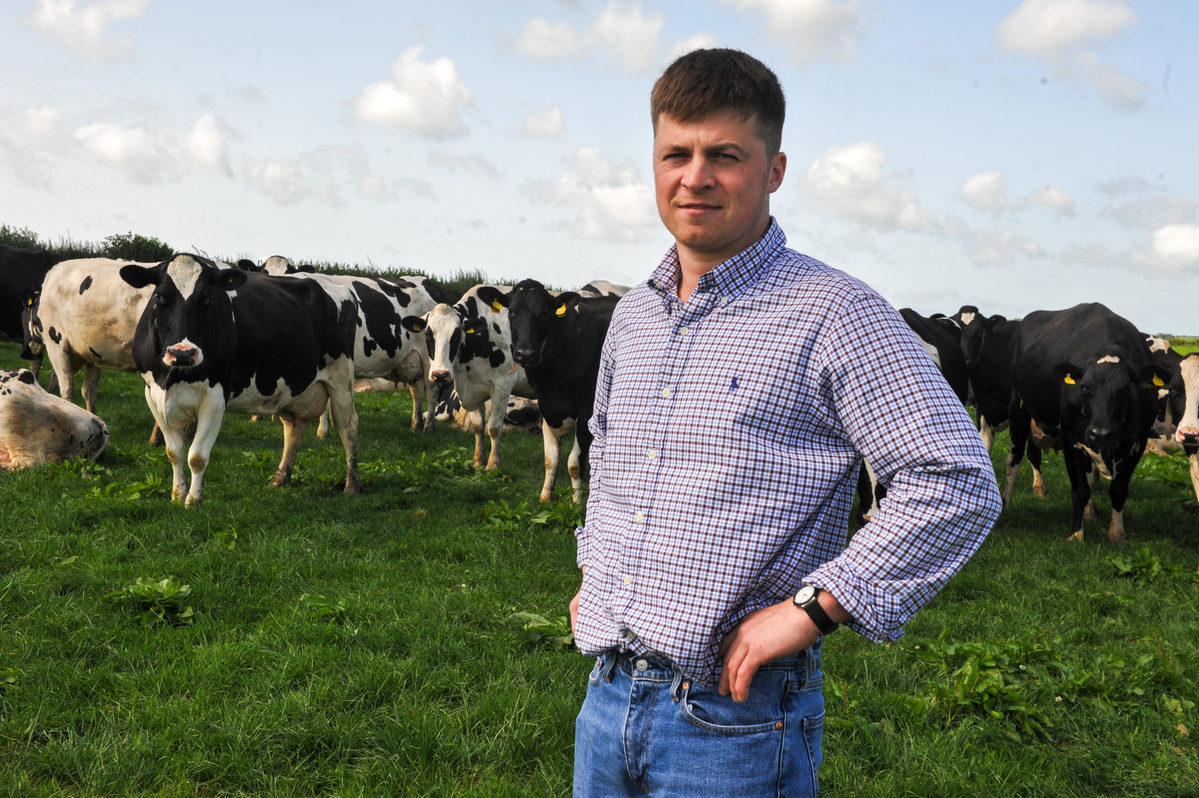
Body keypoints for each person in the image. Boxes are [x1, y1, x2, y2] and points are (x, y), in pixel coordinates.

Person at [569, 48, 1001, 797]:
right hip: (605, 696)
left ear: (772, 169)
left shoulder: (835, 312)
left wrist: (814, 607)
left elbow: (955, 478)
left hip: (732, 718)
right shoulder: (632, 316)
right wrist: (593, 569)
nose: (694, 176)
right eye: (676, 153)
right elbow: (609, 453)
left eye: (724, 156)